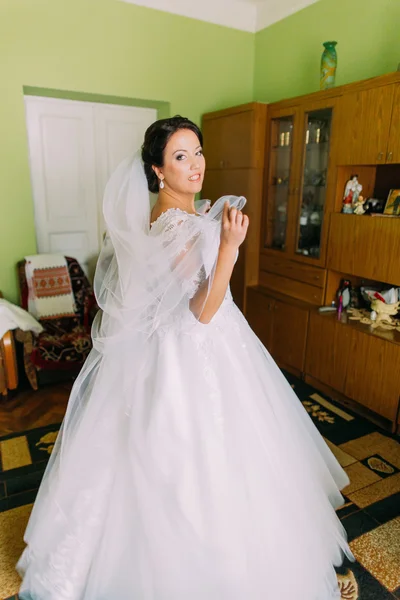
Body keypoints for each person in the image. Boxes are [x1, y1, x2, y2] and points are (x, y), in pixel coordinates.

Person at [17, 116, 353, 600]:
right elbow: (201, 313)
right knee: (210, 463)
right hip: (196, 352)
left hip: (156, 355)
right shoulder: (186, 227)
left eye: (197, 152)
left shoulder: (155, 220)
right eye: (180, 156)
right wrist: (230, 251)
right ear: (157, 170)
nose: (195, 165)